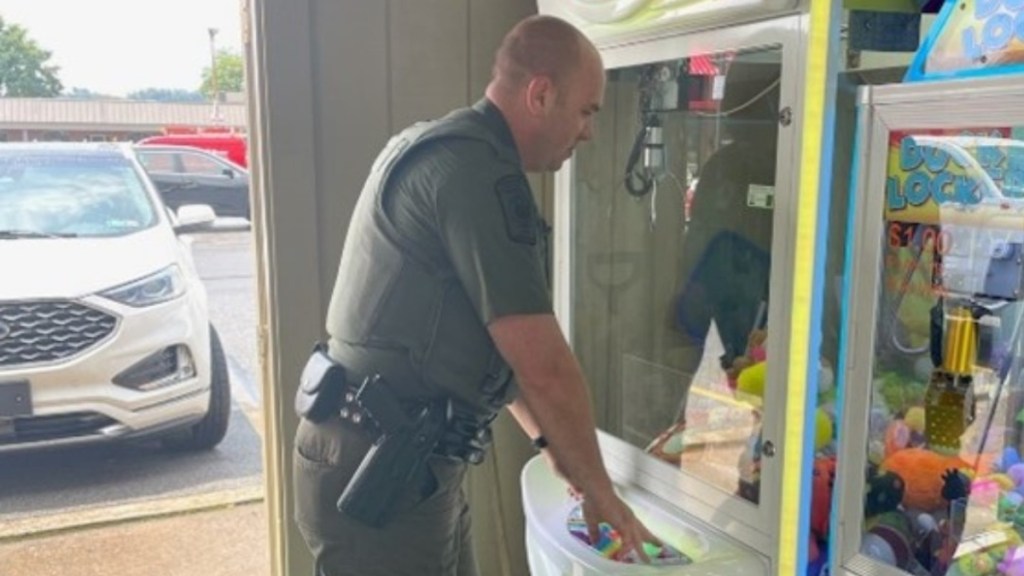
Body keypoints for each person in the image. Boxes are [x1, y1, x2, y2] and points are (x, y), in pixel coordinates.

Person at [292, 14, 659, 576]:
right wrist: (601, 492)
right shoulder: (477, 176)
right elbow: (545, 367)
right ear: (540, 94)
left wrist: (555, 449)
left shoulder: (442, 148)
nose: (589, 132)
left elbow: (497, 354)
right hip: (381, 470)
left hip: (397, 458)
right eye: (586, 111)